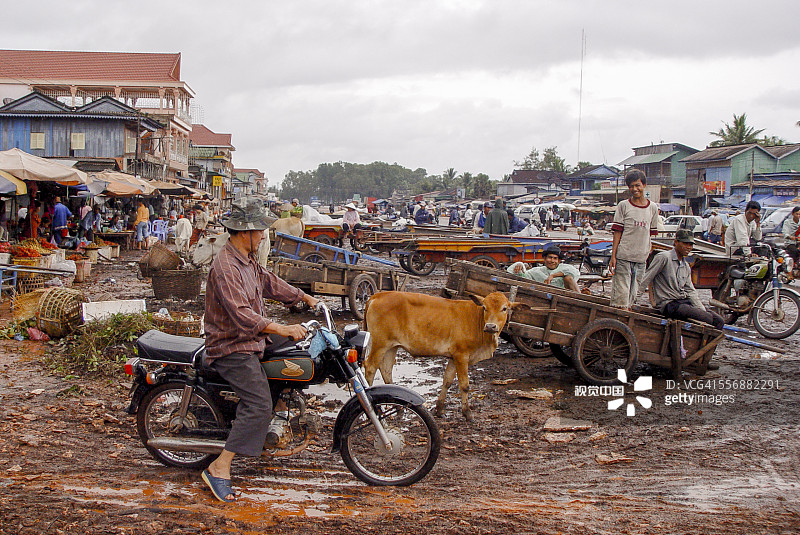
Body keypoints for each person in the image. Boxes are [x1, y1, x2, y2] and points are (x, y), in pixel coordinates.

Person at [201, 197, 319, 502]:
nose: (264, 234)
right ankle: (220, 467)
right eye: (260, 230)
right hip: (231, 345)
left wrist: (303, 297)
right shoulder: (226, 266)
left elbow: (268, 281)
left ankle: (278, 408)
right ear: (243, 233)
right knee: (257, 404)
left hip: (251, 339)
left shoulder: (247, 259)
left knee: (297, 349)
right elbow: (242, 315)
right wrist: (282, 327)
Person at [637, 229, 725, 335]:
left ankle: (708, 350)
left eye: (691, 245)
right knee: (707, 318)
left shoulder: (685, 266)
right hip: (669, 304)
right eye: (685, 244)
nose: (689, 247)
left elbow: (690, 290)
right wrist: (633, 299)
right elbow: (647, 278)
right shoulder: (664, 257)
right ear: (676, 242)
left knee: (719, 321)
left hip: (682, 302)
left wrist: (701, 309)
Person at [609, 170, 659, 309]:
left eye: (637, 185)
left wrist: (648, 254)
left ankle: (627, 321)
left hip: (641, 258)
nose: (634, 189)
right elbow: (617, 232)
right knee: (621, 295)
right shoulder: (624, 205)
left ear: (644, 185)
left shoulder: (653, 208)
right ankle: (619, 321)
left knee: (633, 294)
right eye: (631, 186)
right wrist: (613, 256)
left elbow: (651, 234)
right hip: (624, 255)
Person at [507, 246, 580, 292]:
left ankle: (580, 302)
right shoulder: (537, 271)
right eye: (550, 257)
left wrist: (553, 276)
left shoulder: (564, 268)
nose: (552, 261)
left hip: (566, 298)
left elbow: (574, 272)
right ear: (545, 259)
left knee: (568, 277)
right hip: (546, 299)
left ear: (559, 261)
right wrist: (520, 265)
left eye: (555, 258)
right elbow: (524, 275)